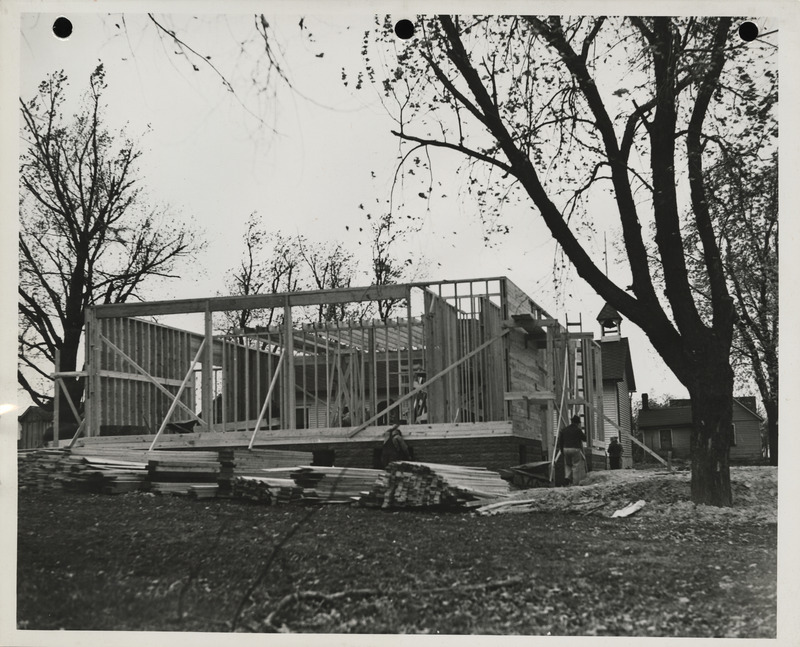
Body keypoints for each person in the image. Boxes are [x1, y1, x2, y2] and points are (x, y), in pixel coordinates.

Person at [557, 415, 586, 486]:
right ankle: (575, 483)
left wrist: (561, 450)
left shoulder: (564, 430)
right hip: (575, 449)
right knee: (576, 465)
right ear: (578, 423)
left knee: (568, 465)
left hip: (565, 449)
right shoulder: (578, 430)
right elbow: (585, 438)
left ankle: (567, 478)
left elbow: (560, 441)